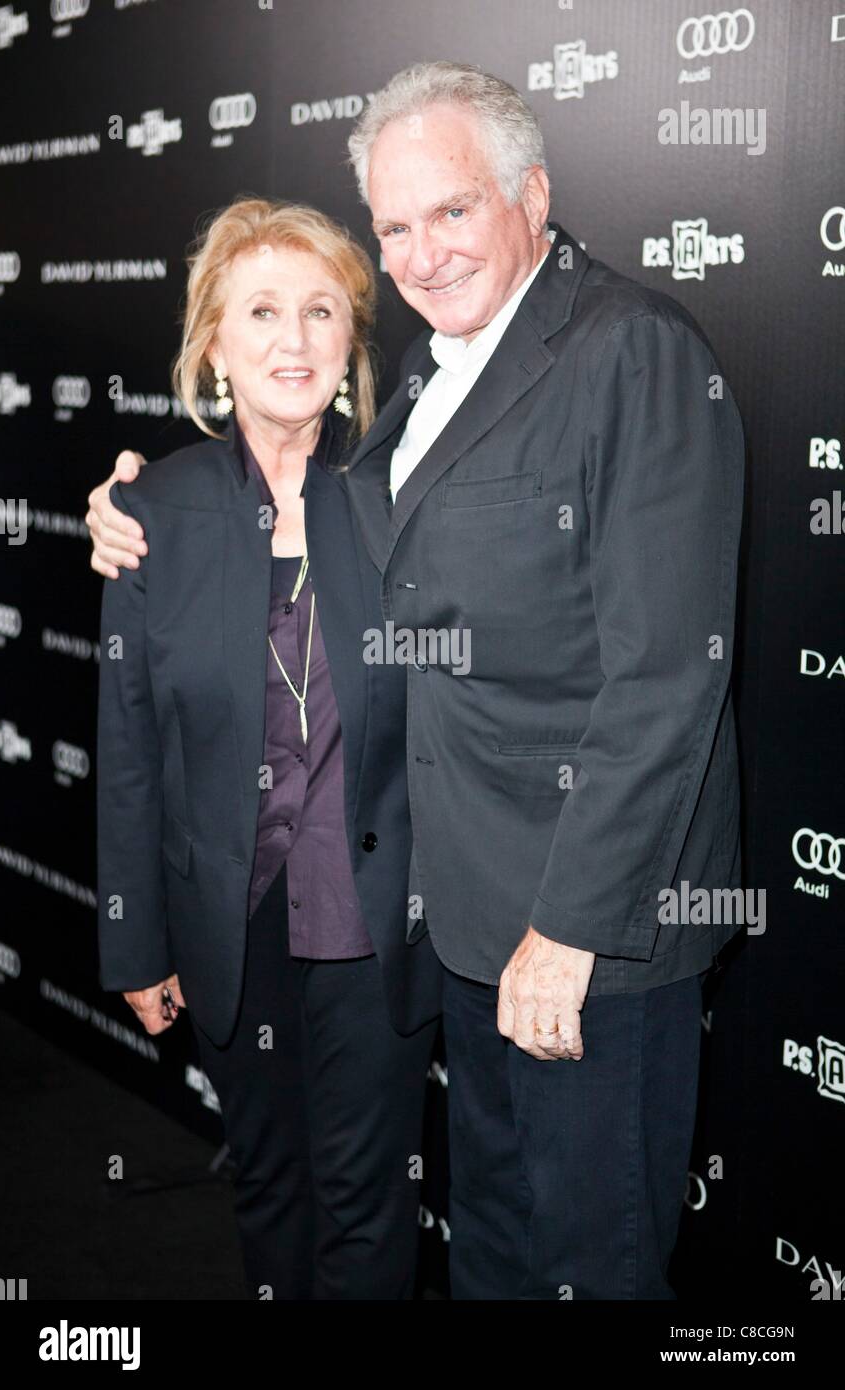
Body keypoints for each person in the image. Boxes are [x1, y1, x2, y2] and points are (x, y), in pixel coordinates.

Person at [89, 62, 746, 1300]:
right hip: (466, 936)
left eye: (451, 210)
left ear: (530, 196)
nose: (423, 251)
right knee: (497, 1250)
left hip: (574, 939)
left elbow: (665, 677)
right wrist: (122, 509)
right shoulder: (428, 399)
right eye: (395, 227)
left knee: (590, 1265)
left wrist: (570, 928)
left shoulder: (631, 352)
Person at [94, 197, 441, 1301]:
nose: (292, 340)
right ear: (213, 345)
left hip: (373, 919)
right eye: (261, 312)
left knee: (366, 1203)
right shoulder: (152, 511)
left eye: (320, 310)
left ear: (351, 342)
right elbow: (133, 748)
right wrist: (134, 940)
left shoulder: (407, 492)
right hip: (228, 925)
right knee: (270, 1188)